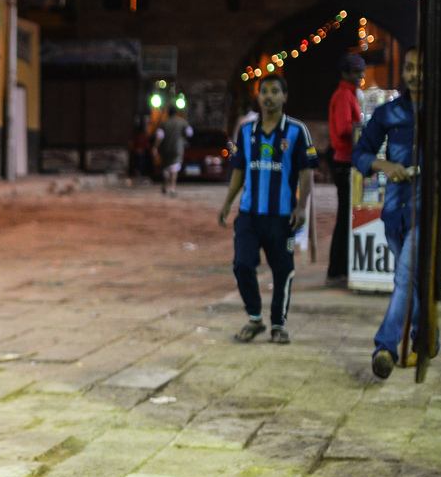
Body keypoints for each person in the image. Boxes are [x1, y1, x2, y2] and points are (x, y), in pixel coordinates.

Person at [352, 47, 441, 379]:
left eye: (423, 69)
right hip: (394, 211)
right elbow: (362, 152)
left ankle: (384, 347)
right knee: (414, 281)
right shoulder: (389, 113)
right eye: (410, 68)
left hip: (429, 207)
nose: (415, 75)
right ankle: (427, 336)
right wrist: (384, 164)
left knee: (404, 277)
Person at [217, 76, 318, 345]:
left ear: (285, 97)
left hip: (282, 216)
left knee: (282, 270)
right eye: (265, 92)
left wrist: (301, 207)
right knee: (242, 264)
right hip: (249, 215)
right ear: (258, 96)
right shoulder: (247, 131)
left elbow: (307, 172)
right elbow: (239, 169)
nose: (269, 97)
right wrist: (228, 203)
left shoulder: (297, 131)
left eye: (275, 92)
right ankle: (254, 318)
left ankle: (278, 324)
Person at [327, 54, 366, 284]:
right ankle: (337, 269)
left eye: (361, 71)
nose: (360, 76)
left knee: (345, 216)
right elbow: (343, 129)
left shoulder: (349, 95)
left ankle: (340, 267)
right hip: (343, 160)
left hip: (345, 159)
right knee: (344, 217)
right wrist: (362, 130)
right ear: (346, 73)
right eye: (356, 72)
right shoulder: (343, 96)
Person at [154, 106, 194, 197]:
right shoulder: (183, 122)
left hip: (165, 148)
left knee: (166, 168)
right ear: (176, 113)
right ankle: (172, 188)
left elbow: (159, 136)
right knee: (174, 169)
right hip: (177, 148)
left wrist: (155, 147)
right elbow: (190, 133)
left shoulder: (164, 123)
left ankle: (164, 186)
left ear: (168, 113)